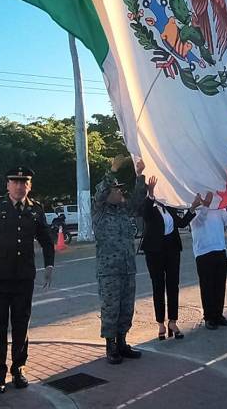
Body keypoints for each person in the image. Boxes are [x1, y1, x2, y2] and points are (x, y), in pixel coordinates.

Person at [0, 166, 55, 394]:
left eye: (23, 182)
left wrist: (49, 265)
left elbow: (46, 239)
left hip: (24, 278)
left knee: (21, 325)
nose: (19, 186)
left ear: (30, 185)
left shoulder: (35, 209)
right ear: (7, 185)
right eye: (14, 182)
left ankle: (19, 368)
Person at [92, 155, 147, 364]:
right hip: (109, 270)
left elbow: (137, 199)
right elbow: (101, 192)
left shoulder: (124, 211)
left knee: (126, 307)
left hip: (127, 268)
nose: (119, 192)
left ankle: (122, 342)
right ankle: (111, 346)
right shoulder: (99, 210)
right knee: (110, 308)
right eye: (116, 189)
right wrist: (112, 171)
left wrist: (139, 176)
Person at [141, 178, 198, 339]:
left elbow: (180, 223)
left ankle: (172, 321)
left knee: (173, 285)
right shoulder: (149, 206)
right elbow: (144, 214)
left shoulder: (169, 206)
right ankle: (160, 323)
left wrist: (193, 207)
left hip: (172, 249)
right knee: (158, 286)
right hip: (154, 251)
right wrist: (150, 194)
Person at [190, 192, 227, 330]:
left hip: (219, 248)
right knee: (207, 285)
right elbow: (197, 222)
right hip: (203, 252)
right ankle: (209, 317)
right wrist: (204, 206)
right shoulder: (193, 208)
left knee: (220, 284)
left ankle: (218, 314)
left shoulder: (218, 206)